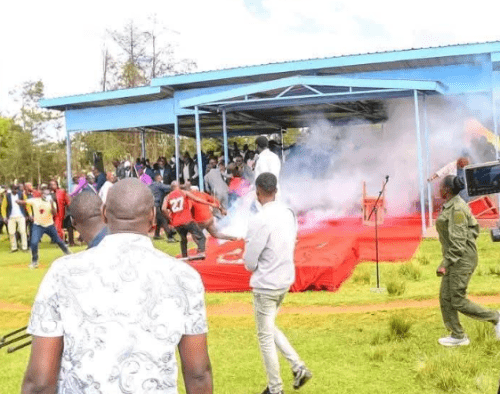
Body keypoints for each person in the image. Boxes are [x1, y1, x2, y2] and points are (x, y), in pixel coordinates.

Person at [21, 178, 213, 394]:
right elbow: (198, 373)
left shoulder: (63, 272)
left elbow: (40, 381)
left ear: (104, 213)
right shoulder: (184, 277)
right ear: (152, 216)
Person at [244, 173, 312, 394]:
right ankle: (297, 366)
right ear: (276, 190)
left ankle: (275, 388)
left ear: (258, 192)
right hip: (284, 279)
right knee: (269, 327)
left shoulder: (259, 219)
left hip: (266, 284)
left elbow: (249, 261)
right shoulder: (288, 213)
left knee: (264, 336)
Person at [436, 175, 500, 346]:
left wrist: (445, 264)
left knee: (456, 299)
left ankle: (496, 318)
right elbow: (473, 228)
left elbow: (458, 243)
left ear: (447, 190)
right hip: (456, 257)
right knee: (445, 297)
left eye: (440, 186)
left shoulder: (456, 209)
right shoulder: (453, 205)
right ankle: (458, 336)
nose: (438, 189)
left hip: (461, 259)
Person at [16, 186, 71, 269]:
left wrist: (52, 204)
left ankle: (68, 253)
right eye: (44, 193)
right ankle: (35, 261)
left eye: (47, 193)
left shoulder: (51, 202)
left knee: (58, 241)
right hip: (38, 225)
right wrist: (17, 201)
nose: (45, 195)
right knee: (34, 242)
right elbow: (24, 202)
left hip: (49, 225)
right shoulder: (35, 200)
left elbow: (54, 213)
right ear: (41, 194)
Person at [163, 181, 215, 258]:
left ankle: (184, 256)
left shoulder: (167, 196)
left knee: (183, 239)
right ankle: (201, 252)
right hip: (187, 220)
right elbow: (197, 199)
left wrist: (169, 218)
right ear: (179, 186)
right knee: (201, 236)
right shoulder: (183, 192)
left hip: (177, 223)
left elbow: (163, 209)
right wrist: (209, 204)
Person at [1, 184, 30, 252]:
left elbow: (27, 204)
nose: (15, 191)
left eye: (16, 189)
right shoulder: (7, 196)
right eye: (14, 189)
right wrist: (4, 217)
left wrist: (30, 214)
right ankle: (14, 248)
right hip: (11, 217)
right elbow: (3, 207)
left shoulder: (22, 195)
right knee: (11, 232)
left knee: (23, 231)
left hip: (21, 216)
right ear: (11, 189)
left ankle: (24, 248)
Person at [150, 173, 176, 242]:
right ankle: (170, 237)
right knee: (164, 221)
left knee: (159, 221)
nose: (162, 180)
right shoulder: (158, 185)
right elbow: (169, 187)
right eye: (161, 179)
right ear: (158, 179)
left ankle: (156, 234)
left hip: (152, 205)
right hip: (157, 205)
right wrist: (179, 186)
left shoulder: (150, 185)